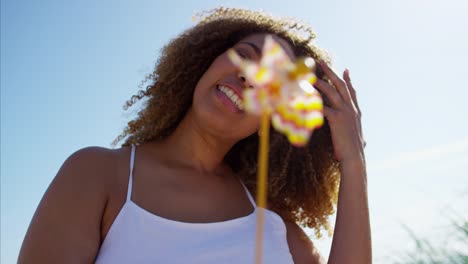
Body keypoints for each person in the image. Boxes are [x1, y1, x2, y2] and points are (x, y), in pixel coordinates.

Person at [18, 7, 371, 264]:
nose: (249, 76)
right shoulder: (96, 174)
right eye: (245, 55)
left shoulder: (277, 227)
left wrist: (354, 163)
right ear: (207, 61)